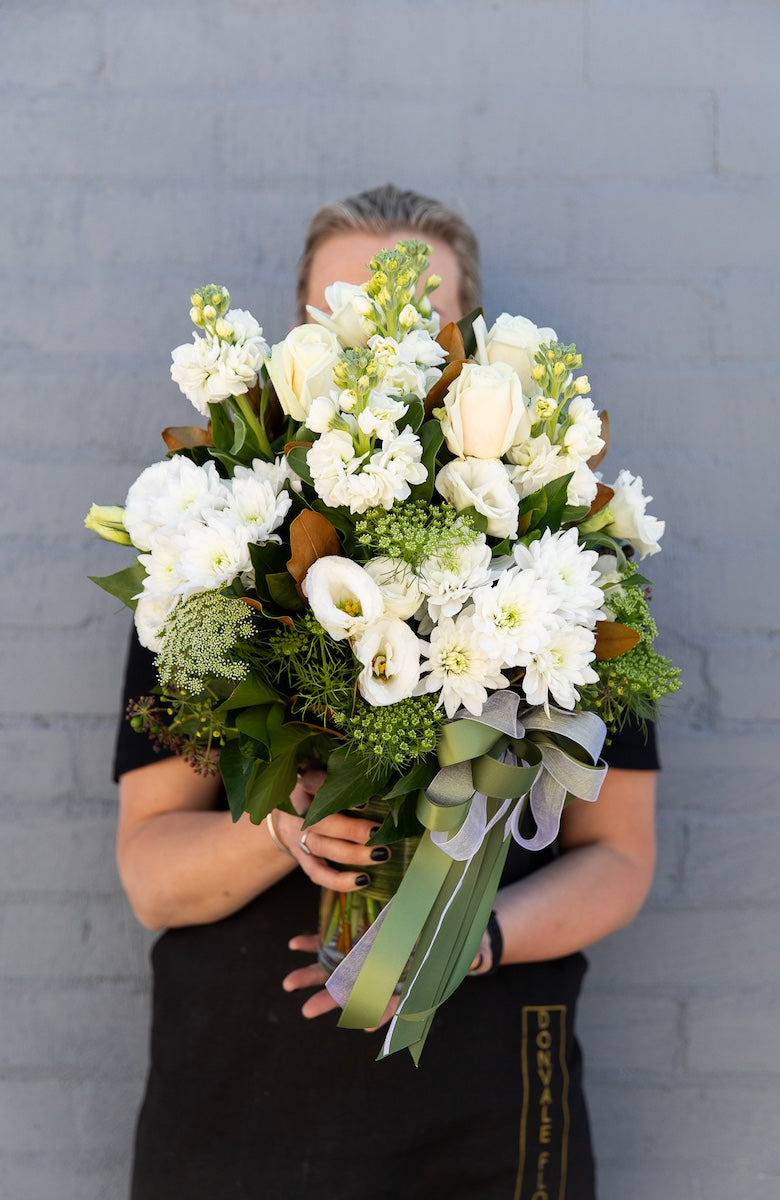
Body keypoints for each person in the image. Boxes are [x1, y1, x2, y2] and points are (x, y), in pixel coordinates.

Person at [115, 183, 658, 1199]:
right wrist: (279, 828)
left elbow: (620, 855)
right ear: (295, 342)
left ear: (469, 347)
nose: (380, 341)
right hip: (238, 1110)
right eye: (342, 314)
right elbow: (150, 872)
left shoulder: (568, 569)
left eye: (420, 316)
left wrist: (470, 940)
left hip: (482, 1107)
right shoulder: (207, 562)